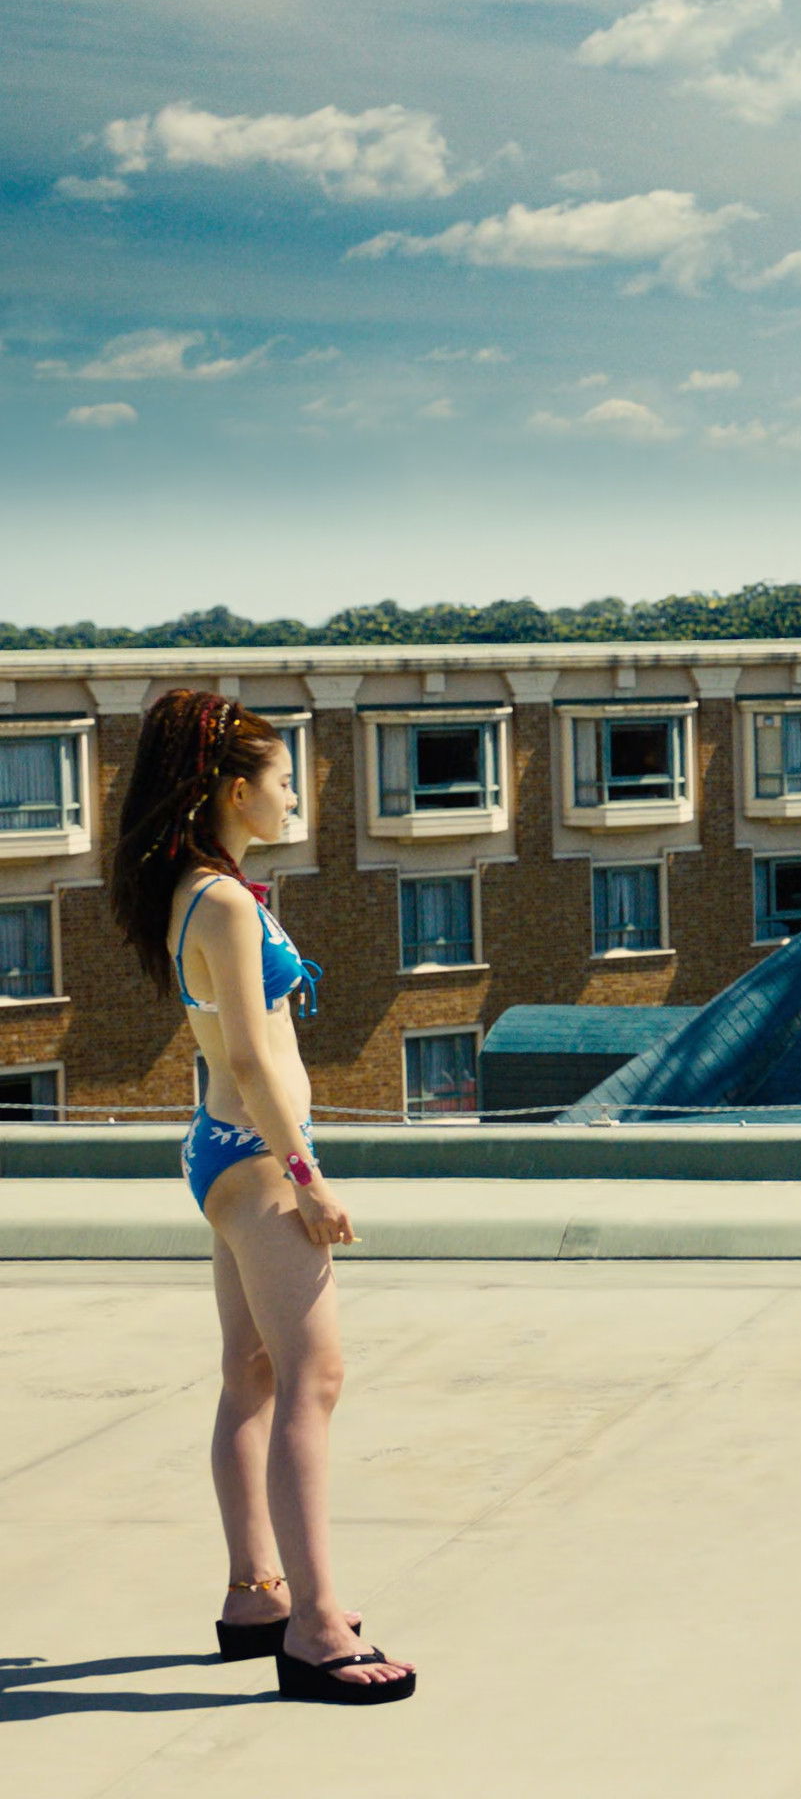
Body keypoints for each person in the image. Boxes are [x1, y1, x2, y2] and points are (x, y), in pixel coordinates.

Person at [105, 689, 418, 1706]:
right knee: (311, 1381)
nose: (294, 797)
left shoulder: (197, 888)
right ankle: (317, 1628)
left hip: (222, 1151)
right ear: (234, 790)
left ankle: (256, 1598)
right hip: (259, 1158)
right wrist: (308, 1178)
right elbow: (248, 1051)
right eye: (283, 780)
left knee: (250, 1377)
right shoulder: (228, 903)